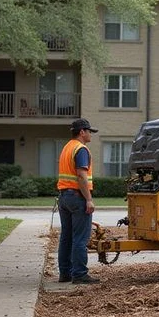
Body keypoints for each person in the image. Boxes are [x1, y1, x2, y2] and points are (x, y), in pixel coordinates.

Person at [56, 118, 99, 284]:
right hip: (77, 197)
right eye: (89, 131)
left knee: (66, 237)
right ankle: (80, 274)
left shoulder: (67, 147)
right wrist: (89, 199)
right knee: (80, 238)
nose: (90, 135)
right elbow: (81, 175)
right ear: (82, 132)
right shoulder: (81, 149)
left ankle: (65, 273)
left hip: (64, 197)